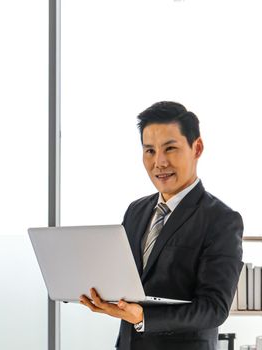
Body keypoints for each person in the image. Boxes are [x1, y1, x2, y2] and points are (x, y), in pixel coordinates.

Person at [80, 101, 244, 350]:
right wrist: (105, 295)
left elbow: (214, 308)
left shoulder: (221, 220)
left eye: (170, 149)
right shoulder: (136, 211)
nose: (159, 162)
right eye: (150, 151)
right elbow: (129, 281)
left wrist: (144, 318)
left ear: (196, 148)